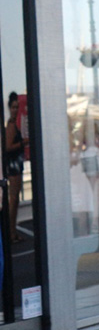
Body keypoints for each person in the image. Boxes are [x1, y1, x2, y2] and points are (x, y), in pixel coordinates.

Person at [5, 92, 26, 241]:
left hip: (15, 165)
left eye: (17, 107)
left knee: (15, 199)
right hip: (14, 167)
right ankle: (11, 233)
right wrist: (23, 143)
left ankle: (12, 231)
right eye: (13, 107)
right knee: (13, 200)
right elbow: (8, 147)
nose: (15, 110)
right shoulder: (11, 125)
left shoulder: (12, 124)